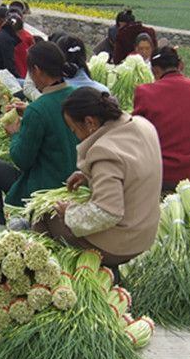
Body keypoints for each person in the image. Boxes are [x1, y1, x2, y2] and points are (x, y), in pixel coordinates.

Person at [37, 88, 161, 266]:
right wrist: (89, 175)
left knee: (43, 216)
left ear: (90, 122)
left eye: (74, 130)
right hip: (145, 233)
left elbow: (107, 213)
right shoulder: (142, 124)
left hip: (122, 244)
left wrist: (69, 213)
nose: (76, 136)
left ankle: (59, 271)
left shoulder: (104, 150)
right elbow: (131, 169)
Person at [0, 42, 78, 226]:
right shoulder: (78, 96)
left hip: (44, 189)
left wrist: (15, 134)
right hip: (76, 184)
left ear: (36, 70)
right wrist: (29, 111)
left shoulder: (38, 110)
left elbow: (22, 159)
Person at [133, 46, 190, 192]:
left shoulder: (145, 92)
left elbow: (135, 132)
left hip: (160, 176)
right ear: (181, 65)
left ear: (154, 70)